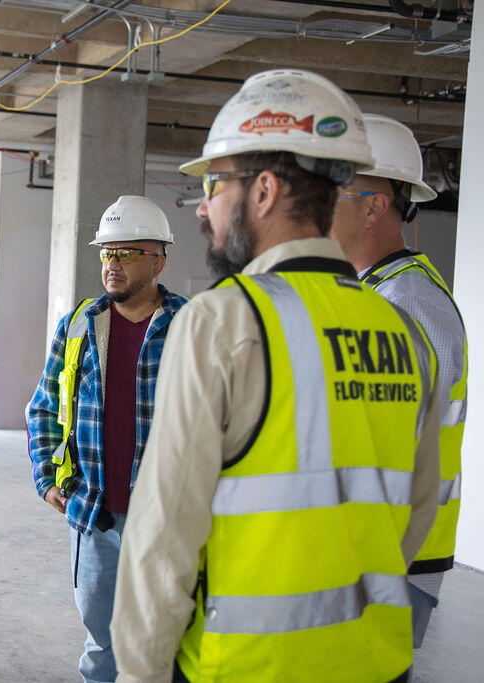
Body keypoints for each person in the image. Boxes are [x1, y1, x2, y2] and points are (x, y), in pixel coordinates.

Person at [110, 69, 441, 682]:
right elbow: (415, 511)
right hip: (375, 662)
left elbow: (163, 538)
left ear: (263, 191)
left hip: (246, 665)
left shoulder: (225, 321)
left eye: (214, 184)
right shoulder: (404, 332)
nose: (204, 207)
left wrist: (139, 673)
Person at [27, 195, 188, 683]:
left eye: (126, 253)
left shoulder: (193, 324)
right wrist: (48, 481)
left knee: (173, 645)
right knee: (102, 644)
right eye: (105, 253)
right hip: (95, 516)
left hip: (169, 520)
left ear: (157, 260)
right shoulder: (79, 323)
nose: (111, 265)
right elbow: (44, 408)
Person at [330, 113, 466, 648]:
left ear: (375, 206)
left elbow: (379, 439)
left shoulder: (405, 303)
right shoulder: (374, 293)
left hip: (393, 562)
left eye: (332, 192)